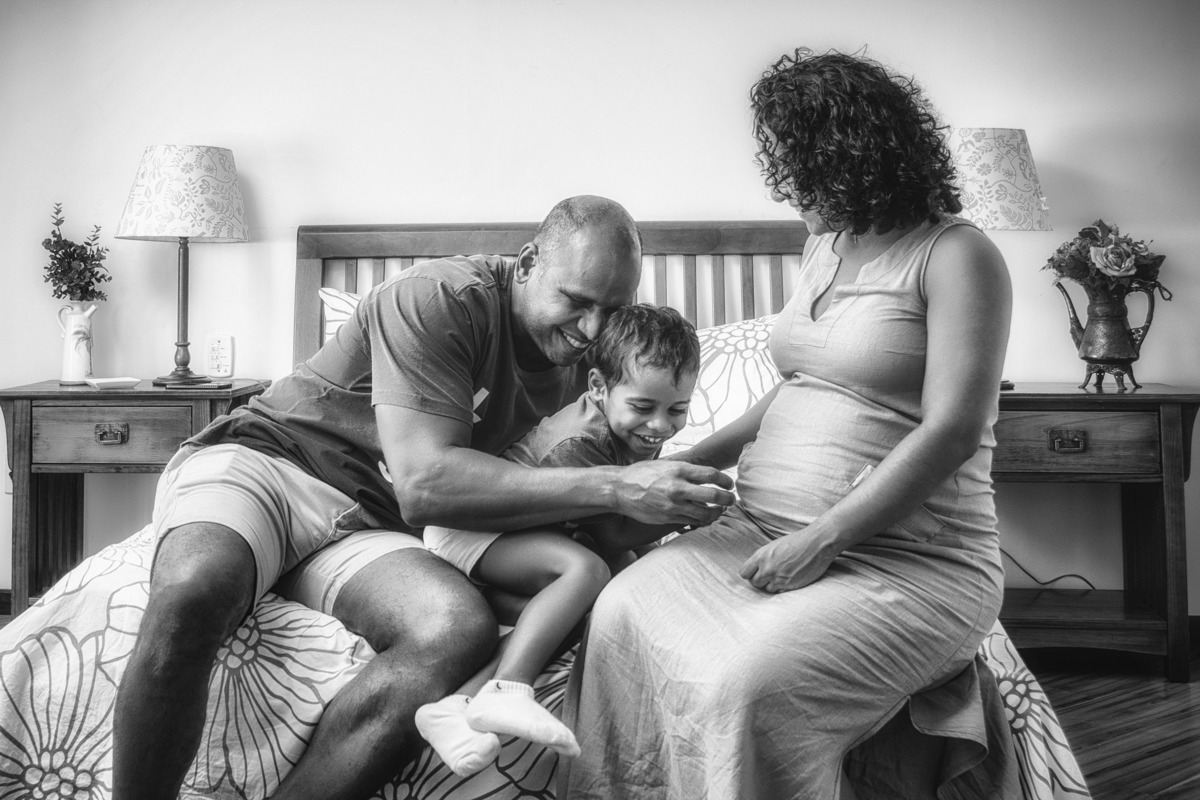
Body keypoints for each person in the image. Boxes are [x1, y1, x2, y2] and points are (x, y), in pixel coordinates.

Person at [111, 194, 735, 800]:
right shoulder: (438, 299)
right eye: (575, 301)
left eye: (613, 307)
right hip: (273, 462)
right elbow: (425, 484)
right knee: (197, 586)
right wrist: (620, 487)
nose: (590, 329)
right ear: (526, 263)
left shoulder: (610, 365)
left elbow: (601, 510)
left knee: (456, 629)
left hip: (372, 527)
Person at [561, 49, 1013, 800]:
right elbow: (803, 384)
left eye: (805, 169)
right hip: (759, 526)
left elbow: (954, 430)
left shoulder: (958, 255)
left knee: (747, 682)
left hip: (909, 560)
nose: (793, 188)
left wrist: (823, 537)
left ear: (858, 160)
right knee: (618, 611)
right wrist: (697, 453)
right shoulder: (823, 245)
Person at [415, 303, 701, 776]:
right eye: (644, 408)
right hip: (471, 527)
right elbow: (611, 533)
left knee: (597, 596)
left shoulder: (633, 431)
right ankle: (511, 688)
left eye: (679, 410)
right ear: (598, 388)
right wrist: (684, 516)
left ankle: (457, 705)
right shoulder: (579, 443)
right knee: (588, 571)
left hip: (531, 532)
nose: (660, 427)